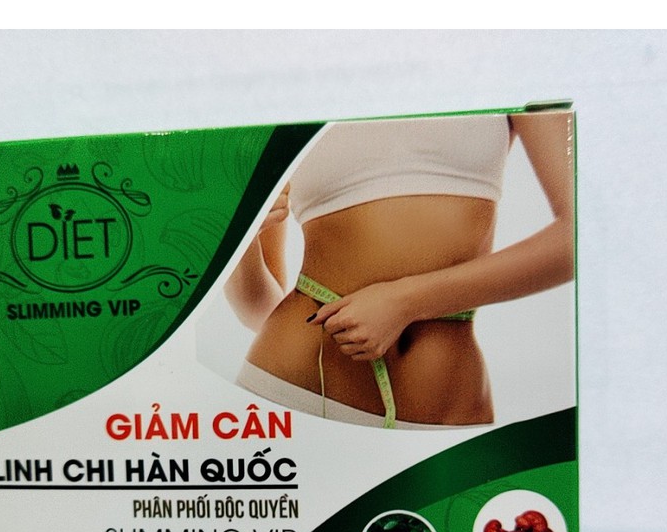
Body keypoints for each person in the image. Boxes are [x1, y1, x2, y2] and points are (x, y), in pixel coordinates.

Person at [223, 110, 574, 428]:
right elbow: (258, 309)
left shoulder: (505, 73)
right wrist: (239, 235)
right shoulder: (284, 95)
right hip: (295, 385)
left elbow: (576, 237)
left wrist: (406, 301)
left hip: (447, 404)